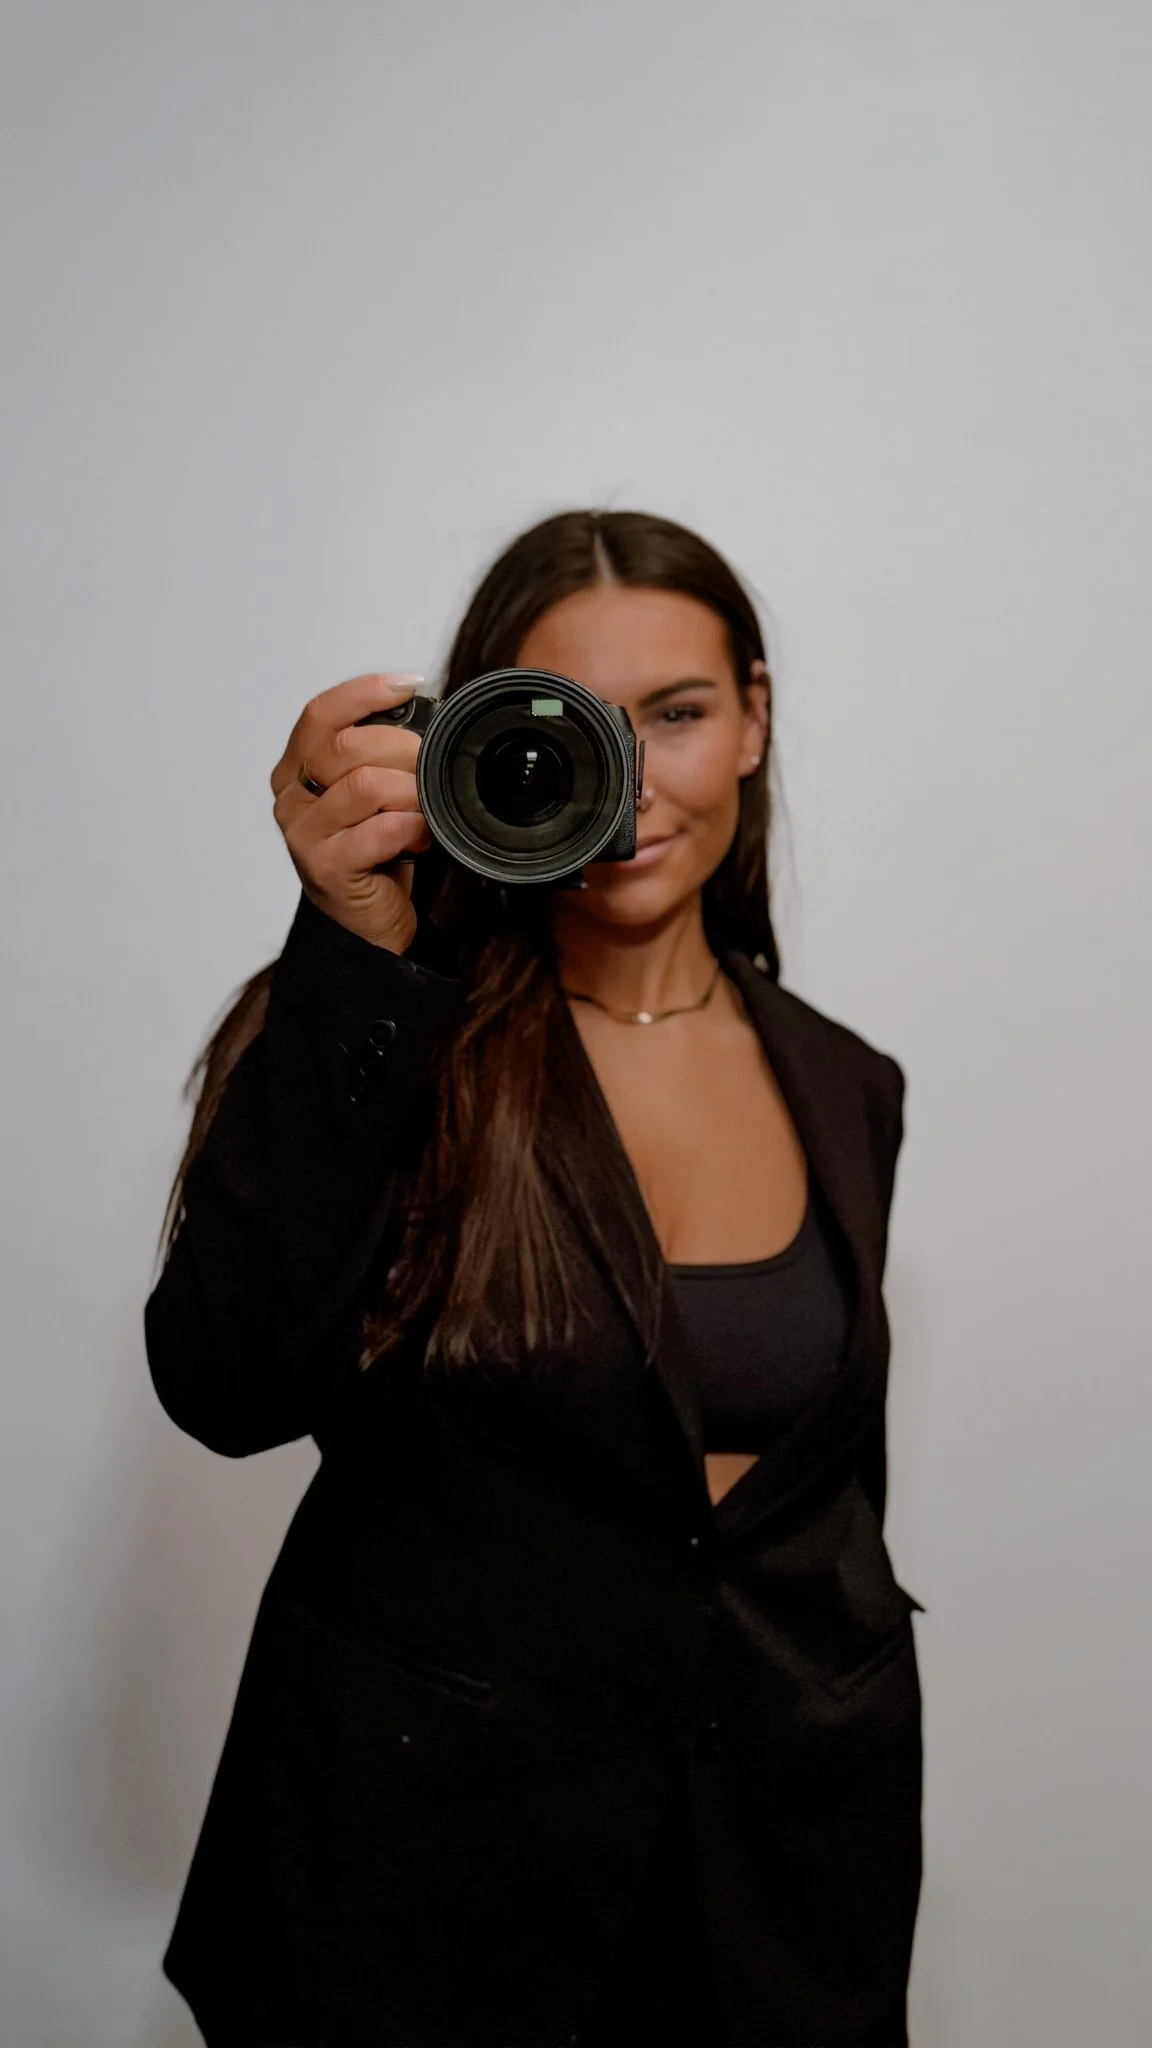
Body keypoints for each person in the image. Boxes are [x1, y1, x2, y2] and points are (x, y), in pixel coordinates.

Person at [146, 508, 924, 2048]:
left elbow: (812, 1510)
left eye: (682, 716)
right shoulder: (381, 1028)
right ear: (486, 739)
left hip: (774, 1911)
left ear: (756, 719)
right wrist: (357, 954)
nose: (634, 781)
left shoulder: (847, 1083)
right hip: (417, 1921)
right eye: (583, 723)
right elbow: (225, 1388)